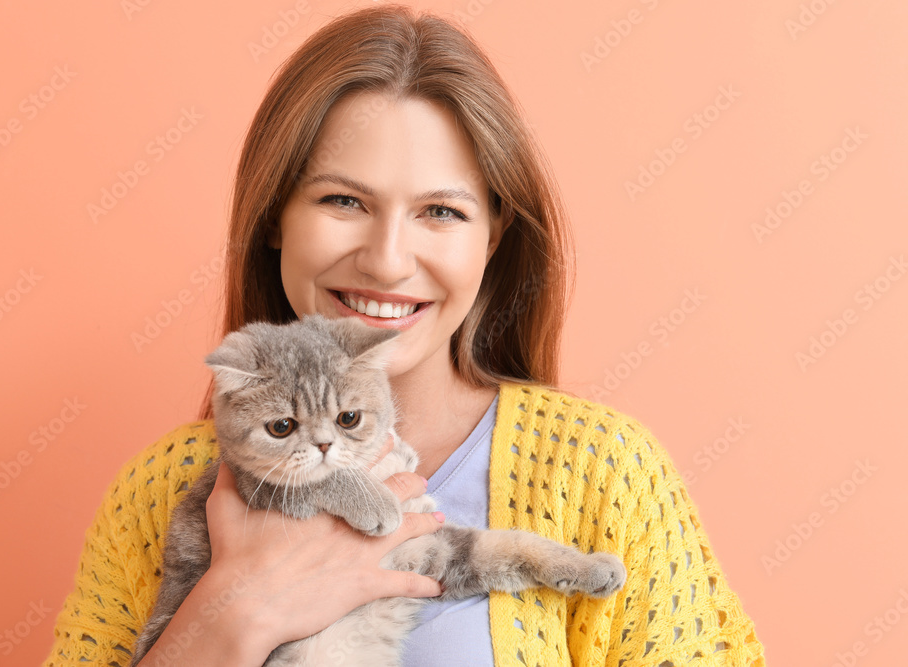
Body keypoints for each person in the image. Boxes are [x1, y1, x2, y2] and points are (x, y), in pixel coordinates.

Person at [42, 5, 765, 666]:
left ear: (495, 233)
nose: (387, 259)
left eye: (441, 212)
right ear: (274, 218)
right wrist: (235, 609)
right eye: (343, 200)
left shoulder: (601, 472)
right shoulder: (156, 493)